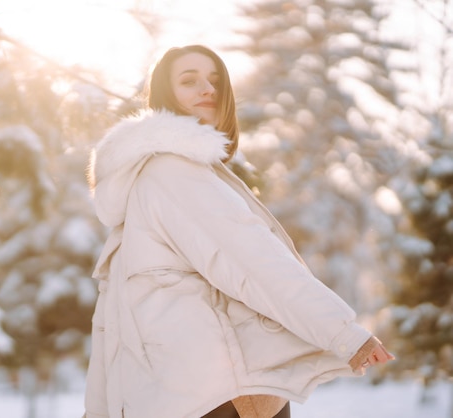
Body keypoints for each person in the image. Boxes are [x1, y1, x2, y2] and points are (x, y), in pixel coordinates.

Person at [83, 44, 394, 418]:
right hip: (219, 392)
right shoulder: (174, 173)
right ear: (167, 95)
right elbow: (253, 263)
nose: (208, 90)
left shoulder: (152, 179)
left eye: (215, 81)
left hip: (181, 393)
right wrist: (344, 334)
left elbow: (111, 322)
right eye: (189, 80)